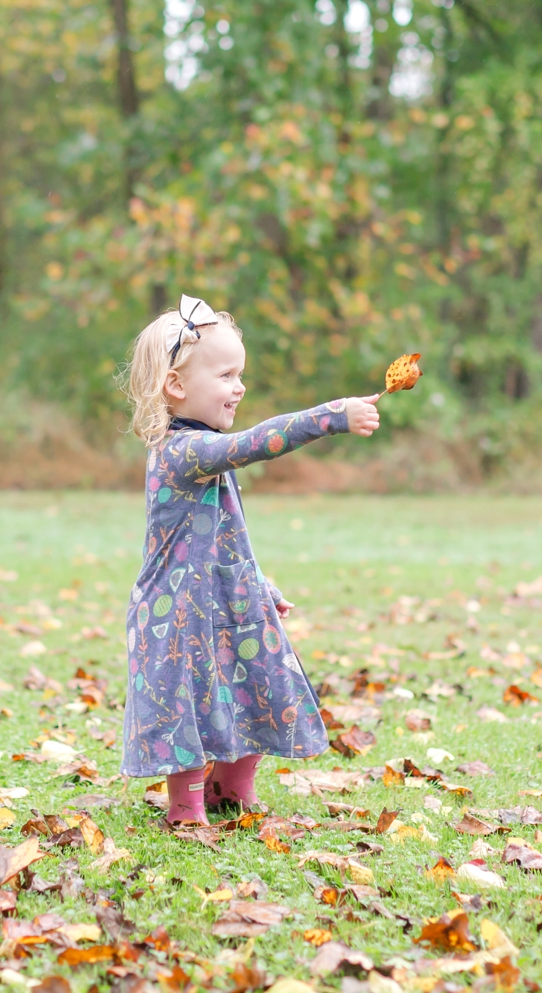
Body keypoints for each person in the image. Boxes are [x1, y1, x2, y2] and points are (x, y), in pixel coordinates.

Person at [118, 294, 380, 823]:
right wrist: (332, 416)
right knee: (187, 704)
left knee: (258, 683)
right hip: (180, 611)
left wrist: (260, 584)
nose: (239, 387)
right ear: (176, 386)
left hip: (226, 598)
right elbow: (257, 442)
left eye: (241, 374)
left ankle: (232, 790)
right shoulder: (181, 452)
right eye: (226, 375)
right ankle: (186, 805)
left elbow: (224, 537)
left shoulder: (204, 448)